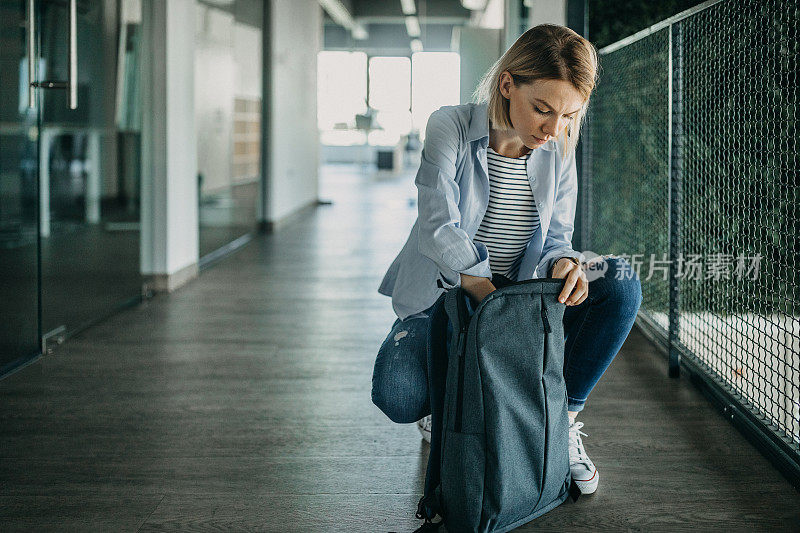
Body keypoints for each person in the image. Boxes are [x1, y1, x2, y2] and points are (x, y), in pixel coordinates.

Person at [371, 24, 642, 495]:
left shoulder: (558, 146)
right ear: (506, 84)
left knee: (618, 278)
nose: (552, 130)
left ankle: (561, 421)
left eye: (567, 116)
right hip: (449, 294)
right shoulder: (449, 125)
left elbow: (558, 235)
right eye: (542, 109)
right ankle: (454, 404)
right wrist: (487, 299)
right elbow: (438, 226)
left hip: (516, 293)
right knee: (398, 392)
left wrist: (564, 263)